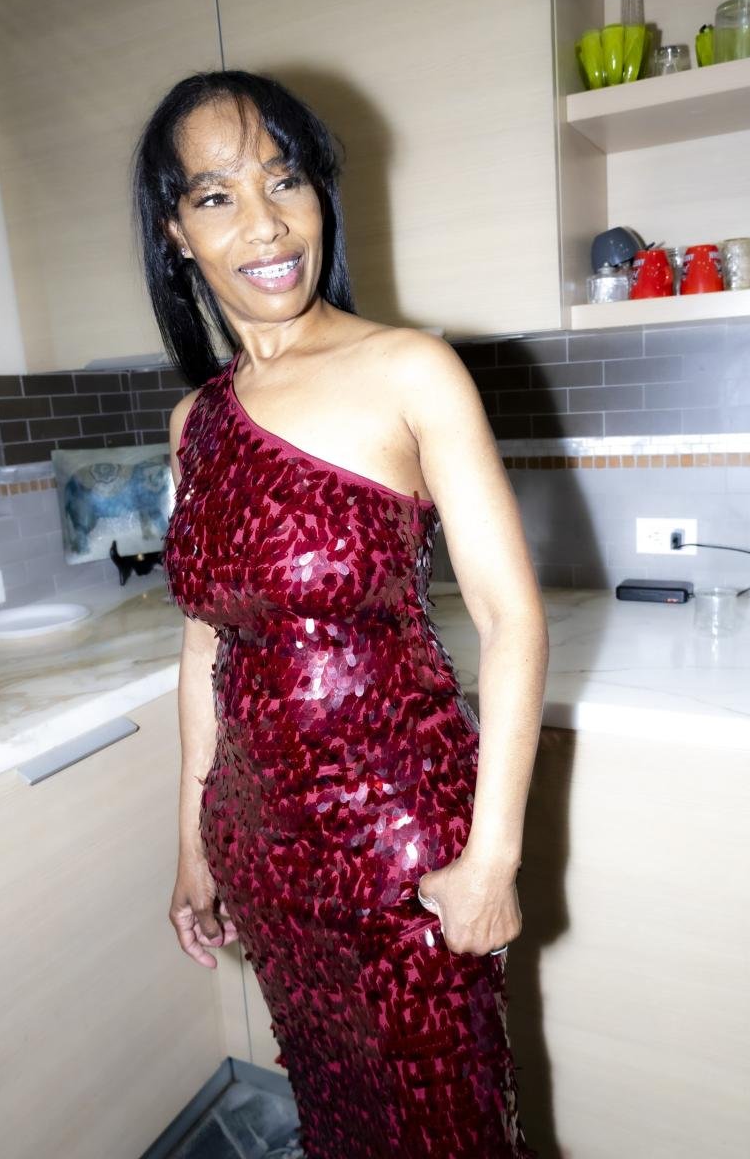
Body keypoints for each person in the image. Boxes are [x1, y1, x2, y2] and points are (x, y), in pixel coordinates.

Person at [132, 70, 548, 1158]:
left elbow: (509, 619)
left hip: (404, 854)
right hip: (262, 852)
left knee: (449, 1127)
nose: (267, 224)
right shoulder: (194, 422)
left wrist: (492, 862)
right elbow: (205, 643)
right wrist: (193, 844)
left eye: (286, 181)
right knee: (339, 1116)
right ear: (175, 232)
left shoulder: (410, 370)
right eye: (216, 195)